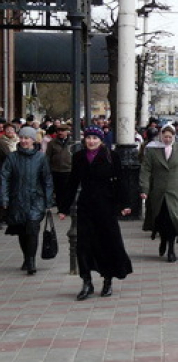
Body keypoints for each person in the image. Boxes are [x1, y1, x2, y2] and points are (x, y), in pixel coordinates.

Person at [58, 126, 133, 300]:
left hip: (106, 206)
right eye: (89, 138)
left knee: (107, 243)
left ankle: (107, 281)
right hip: (85, 206)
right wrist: (63, 208)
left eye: (95, 138)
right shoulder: (78, 157)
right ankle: (86, 282)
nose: (91, 141)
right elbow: (72, 183)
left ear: (101, 140)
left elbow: (121, 181)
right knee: (83, 245)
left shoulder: (111, 156)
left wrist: (125, 203)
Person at [140, 124, 178, 263]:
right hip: (158, 192)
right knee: (161, 220)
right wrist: (144, 189)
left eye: (169, 137)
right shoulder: (152, 151)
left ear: (173, 137)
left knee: (174, 221)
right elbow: (145, 171)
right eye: (164, 136)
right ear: (160, 136)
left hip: (175, 191)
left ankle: (171, 249)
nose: (167, 139)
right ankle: (163, 240)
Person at [1, 126, 53, 275]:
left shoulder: (40, 158)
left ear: (33, 140)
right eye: (22, 137)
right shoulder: (12, 157)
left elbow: (47, 180)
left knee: (32, 228)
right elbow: (4, 177)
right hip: (17, 199)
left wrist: (48, 201)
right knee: (22, 231)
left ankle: (31, 260)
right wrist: (4, 198)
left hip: (36, 199)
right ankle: (26, 256)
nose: (24, 141)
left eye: (27, 138)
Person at [44, 123, 73, 209]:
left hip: (69, 170)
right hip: (56, 170)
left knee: (68, 190)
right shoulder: (52, 143)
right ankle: (61, 208)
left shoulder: (72, 142)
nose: (60, 132)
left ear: (67, 132)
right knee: (59, 191)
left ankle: (67, 207)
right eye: (59, 131)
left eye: (63, 131)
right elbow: (48, 156)